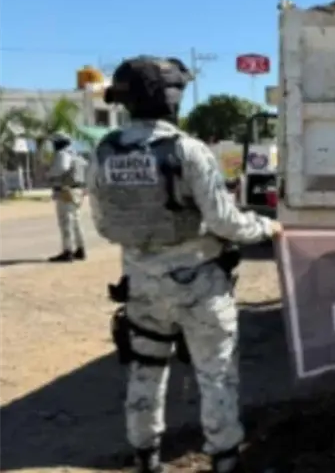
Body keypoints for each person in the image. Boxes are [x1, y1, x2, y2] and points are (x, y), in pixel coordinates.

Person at [88, 56, 283, 473]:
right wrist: (268, 229)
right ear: (171, 98)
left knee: (145, 372)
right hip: (200, 286)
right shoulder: (187, 150)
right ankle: (224, 458)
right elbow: (225, 222)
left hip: (141, 286)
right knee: (216, 375)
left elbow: (104, 225)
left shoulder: (104, 151)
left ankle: (146, 456)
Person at [47, 132, 88, 262]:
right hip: (77, 190)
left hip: (66, 190)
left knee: (66, 222)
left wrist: (49, 173)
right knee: (76, 221)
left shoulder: (62, 154)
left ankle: (67, 251)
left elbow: (61, 169)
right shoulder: (76, 154)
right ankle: (80, 249)